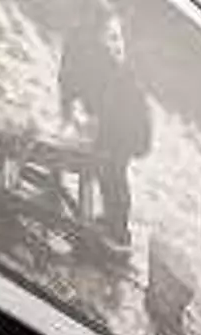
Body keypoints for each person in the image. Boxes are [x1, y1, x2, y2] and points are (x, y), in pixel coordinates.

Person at [58, 1, 152, 251]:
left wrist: (93, 121)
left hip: (127, 125)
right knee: (107, 171)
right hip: (115, 119)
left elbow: (115, 95)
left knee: (114, 172)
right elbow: (71, 79)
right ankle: (112, 222)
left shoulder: (112, 59)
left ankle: (119, 232)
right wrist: (75, 113)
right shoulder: (83, 40)